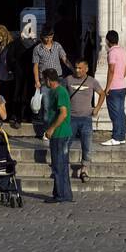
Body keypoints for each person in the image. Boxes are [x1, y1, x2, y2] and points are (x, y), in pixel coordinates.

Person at [65, 58, 106, 181]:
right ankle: (63, 167)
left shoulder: (91, 81)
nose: (77, 70)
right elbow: (60, 93)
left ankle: (84, 169)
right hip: (71, 118)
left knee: (87, 145)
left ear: (86, 69)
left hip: (86, 118)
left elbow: (102, 93)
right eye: (76, 67)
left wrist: (97, 108)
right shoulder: (68, 79)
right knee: (66, 144)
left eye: (80, 68)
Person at [31, 25, 71, 136]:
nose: (48, 39)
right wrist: (37, 81)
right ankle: (46, 130)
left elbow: (64, 59)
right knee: (47, 107)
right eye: (46, 37)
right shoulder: (37, 49)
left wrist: (74, 70)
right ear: (42, 37)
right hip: (45, 81)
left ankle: (58, 129)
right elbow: (35, 65)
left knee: (60, 106)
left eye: (50, 36)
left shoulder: (57, 46)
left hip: (58, 79)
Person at [41, 68, 73, 203]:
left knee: (58, 165)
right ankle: (63, 193)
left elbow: (63, 113)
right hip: (62, 133)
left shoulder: (59, 92)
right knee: (62, 165)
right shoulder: (58, 91)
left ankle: (61, 195)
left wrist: (51, 129)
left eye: (44, 80)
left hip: (60, 133)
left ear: (48, 80)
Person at [100, 29, 126, 146]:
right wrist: (120, 79)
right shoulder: (123, 51)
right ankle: (122, 135)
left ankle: (116, 137)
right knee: (121, 111)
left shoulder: (112, 53)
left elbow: (111, 70)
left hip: (114, 88)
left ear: (107, 41)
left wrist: (107, 87)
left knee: (115, 113)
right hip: (122, 86)